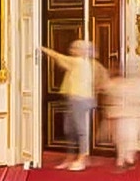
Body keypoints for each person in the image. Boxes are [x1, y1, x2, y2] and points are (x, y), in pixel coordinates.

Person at [41, 40, 104, 171]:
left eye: (75, 48)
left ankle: (81, 159)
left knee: (81, 131)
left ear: (82, 51)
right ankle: (70, 158)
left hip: (80, 99)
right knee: (69, 130)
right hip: (74, 98)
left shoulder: (79, 62)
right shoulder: (85, 63)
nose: (72, 50)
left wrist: (41, 48)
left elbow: (57, 56)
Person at [104, 64, 140, 172]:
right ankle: (126, 160)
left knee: (123, 139)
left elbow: (108, 96)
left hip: (124, 115)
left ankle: (123, 161)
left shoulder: (114, 84)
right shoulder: (129, 84)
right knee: (128, 139)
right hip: (128, 115)